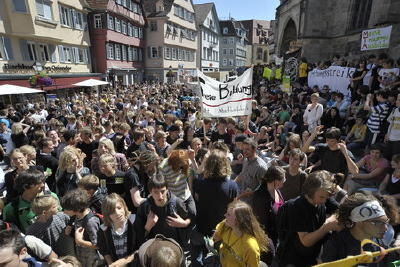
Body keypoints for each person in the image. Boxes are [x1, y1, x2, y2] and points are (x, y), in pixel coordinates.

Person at [276, 171, 342, 267]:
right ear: (310, 192)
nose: (324, 200)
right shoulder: (296, 207)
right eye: (321, 197)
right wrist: (327, 226)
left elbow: (340, 210)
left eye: (326, 197)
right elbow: (305, 241)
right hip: (293, 260)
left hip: (311, 258)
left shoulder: (322, 200)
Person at [321, 193, 391, 263]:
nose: (385, 228)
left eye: (386, 221)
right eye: (378, 223)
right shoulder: (335, 245)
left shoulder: (377, 241)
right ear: (358, 222)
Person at [134, 175, 191, 248]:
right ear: (150, 191)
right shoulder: (144, 208)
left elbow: (191, 220)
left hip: (174, 248)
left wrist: (184, 224)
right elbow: (138, 235)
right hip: (154, 249)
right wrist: (147, 227)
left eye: (162, 191)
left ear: (167, 189)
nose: (160, 196)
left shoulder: (177, 203)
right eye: (156, 192)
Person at [213, 200, 269, 267]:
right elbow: (215, 237)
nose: (225, 215)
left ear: (239, 220)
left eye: (228, 214)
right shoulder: (225, 226)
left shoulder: (250, 246)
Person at [61, 189, 101, 267]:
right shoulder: (77, 215)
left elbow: (97, 245)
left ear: (77, 209)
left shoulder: (90, 222)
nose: (64, 211)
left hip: (91, 260)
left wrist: (79, 241)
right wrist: (69, 226)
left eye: (66, 209)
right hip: (81, 255)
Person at [97, 193, 138, 267]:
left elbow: (141, 247)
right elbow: (104, 250)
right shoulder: (103, 230)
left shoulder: (134, 222)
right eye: (112, 212)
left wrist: (125, 261)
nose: (117, 213)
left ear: (124, 207)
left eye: (119, 208)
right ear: (107, 214)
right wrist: (110, 264)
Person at [385, 93, 400, 159]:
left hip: (398, 139)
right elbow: (391, 123)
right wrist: (387, 134)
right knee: (387, 155)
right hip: (390, 137)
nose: (397, 101)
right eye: (397, 99)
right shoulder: (395, 110)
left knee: (395, 157)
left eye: (399, 100)